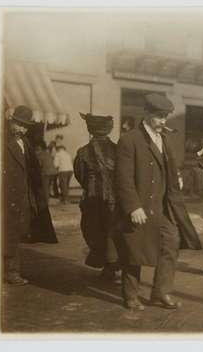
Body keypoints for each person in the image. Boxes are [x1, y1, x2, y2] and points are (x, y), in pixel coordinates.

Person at [116, 93, 201, 311]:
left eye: (165, 116)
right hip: (140, 206)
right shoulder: (129, 139)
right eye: (159, 116)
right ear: (147, 114)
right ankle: (131, 295)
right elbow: (122, 178)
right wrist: (133, 206)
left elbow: (166, 168)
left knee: (171, 243)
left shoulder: (163, 139)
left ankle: (160, 293)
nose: (163, 121)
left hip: (162, 207)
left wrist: (176, 178)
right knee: (135, 251)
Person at [2, 105, 57, 285]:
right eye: (18, 124)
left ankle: (10, 269)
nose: (21, 129)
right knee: (8, 233)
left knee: (17, 233)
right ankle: (10, 271)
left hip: (23, 195)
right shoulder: (1, 141)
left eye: (25, 126)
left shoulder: (25, 142)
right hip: (7, 196)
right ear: (11, 122)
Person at [74, 113, 121, 283]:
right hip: (114, 199)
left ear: (90, 130)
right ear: (109, 130)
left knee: (93, 230)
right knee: (112, 232)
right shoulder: (118, 150)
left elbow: (80, 175)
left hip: (92, 199)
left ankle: (106, 265)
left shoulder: (83, 152)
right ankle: (112, 266)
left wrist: (92, 185)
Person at [35, 140, 56, 205]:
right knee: (48, 187)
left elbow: (39, 166)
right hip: (53, 172)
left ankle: (46, 202)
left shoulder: (39, 155)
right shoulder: (47, 153)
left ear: (39, 148)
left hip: (46, 173)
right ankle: (47, 200)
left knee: (45, 188)